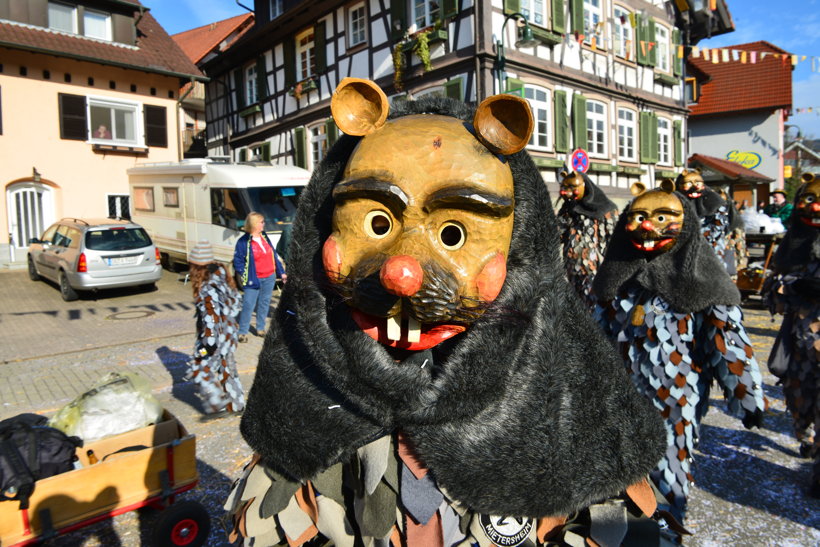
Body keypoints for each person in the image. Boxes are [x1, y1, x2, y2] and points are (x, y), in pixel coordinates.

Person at [225, 78, 673, 546]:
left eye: (454, 234)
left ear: (522, 244)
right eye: (377, 224)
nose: (402, 273)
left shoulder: (563, 387)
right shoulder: (306, 388)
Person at [593, 180, 766, 522]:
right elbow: (594, 335)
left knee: (666, 468)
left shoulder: (705, 278)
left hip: (675, 399)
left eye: (661, 218)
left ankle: (667, 527)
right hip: (618, 397)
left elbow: (727, 340)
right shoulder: (616, 275)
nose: (646, 226)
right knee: (615, 473)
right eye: (639, 216)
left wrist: (747, 396)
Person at [765, 173, 820, 498]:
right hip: (798, 346)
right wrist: (792, 286)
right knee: (800, 404)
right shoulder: (791, 243)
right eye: (810, 200)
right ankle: (805, 432)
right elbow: (770, 292)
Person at [187, 240, 244, 418]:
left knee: (199, 366)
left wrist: (208, 345)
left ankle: (217, 404)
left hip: (213, 338)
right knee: (226, 367)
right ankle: (237, 404)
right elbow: (237, 303)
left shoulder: (207, 289)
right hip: (228, 334)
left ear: (197, 267)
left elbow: (210, 319)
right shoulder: (222, 277)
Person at [555, 168, 618, 308]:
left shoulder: (606, 210)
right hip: (572, 272)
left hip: (595, 274)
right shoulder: (568, 210)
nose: (566, 192)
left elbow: (614, 244)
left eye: (571, 187)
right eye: (564, 187)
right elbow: (557, 233)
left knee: (593, 307)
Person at [233, 212, 286, 342]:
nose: (264, 224)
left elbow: (273, 255)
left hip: (269, 276)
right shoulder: (243, 241)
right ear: (254, 224)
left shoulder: (264, 236)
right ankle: (242, 332)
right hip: (253, 278)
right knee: (248, 305)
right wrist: (245, 274)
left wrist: (281, 273)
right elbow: (238, 261)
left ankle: (260, 328)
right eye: (261, 222)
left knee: (264, 303)